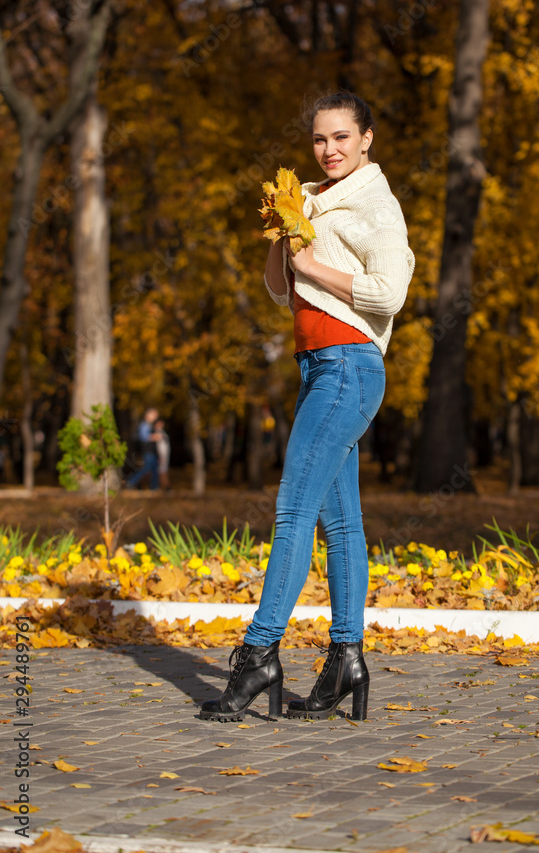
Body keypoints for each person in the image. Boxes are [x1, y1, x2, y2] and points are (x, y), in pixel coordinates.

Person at [200, 90, 415, 723]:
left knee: (293, 510)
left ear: (367, 138)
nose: (329, 149)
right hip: (318, 366)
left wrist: (312, 264)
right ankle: (346, 659)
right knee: (341, 525)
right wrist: (283, 231)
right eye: (320, 139)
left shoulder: (377, 205)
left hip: (349, 367)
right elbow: (279, 289)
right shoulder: (314, 199)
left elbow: (389, 294)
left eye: (342, 137)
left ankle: (259, 652)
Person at [125, 407, 160, 490]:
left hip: (152, 451)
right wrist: (154, 437)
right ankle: (131, 482)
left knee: (154, 468)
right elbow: (143, 437)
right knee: (147, 468)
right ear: (148, 415)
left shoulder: (150, 425)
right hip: (148, 451)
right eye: (154, 415)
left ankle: (154, 487)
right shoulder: (144, 425)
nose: (155, 417)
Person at [154, 418, 172, 491]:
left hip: (164, 455)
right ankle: (166, 487)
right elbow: (158, 447)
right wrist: (160, 456)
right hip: (161, 456)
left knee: (163, 471)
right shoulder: (156, 434)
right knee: (162, 471)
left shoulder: (162, 433)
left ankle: (164, 487)